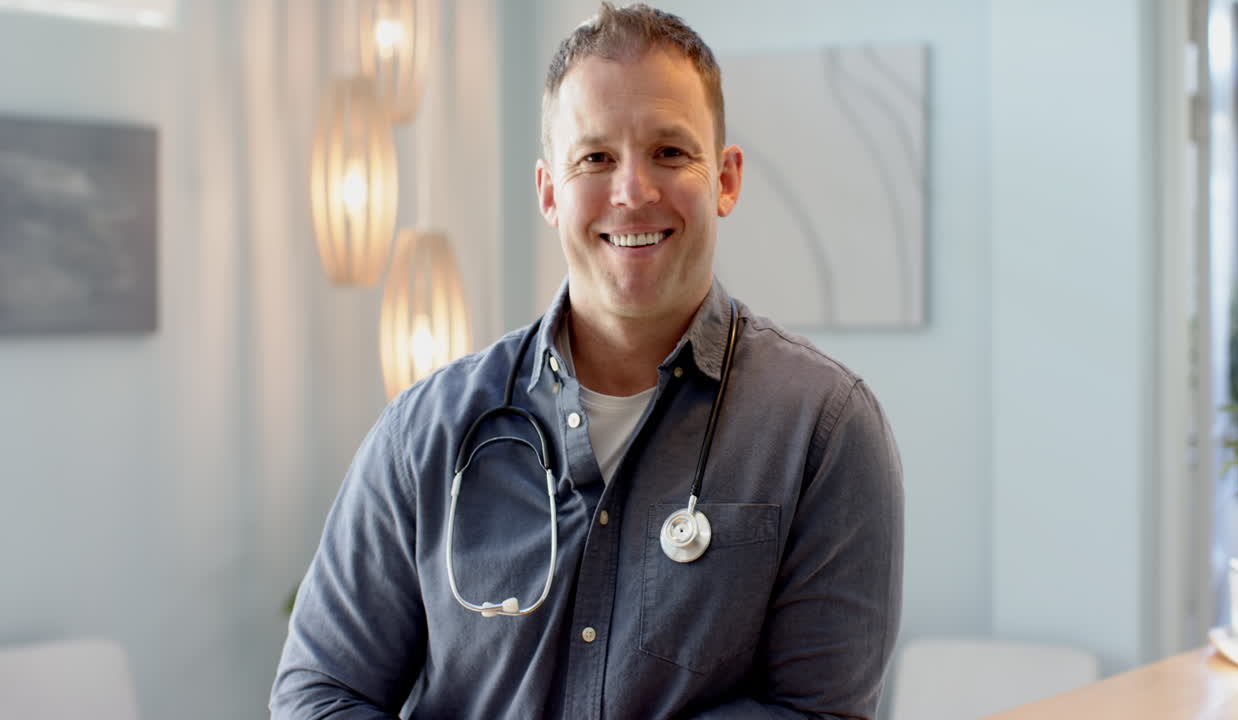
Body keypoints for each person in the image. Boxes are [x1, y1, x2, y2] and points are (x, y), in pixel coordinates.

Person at [270, 3, 903, 718]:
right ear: (549, 191)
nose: (632, 191)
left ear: (725, 179)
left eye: (670, 151)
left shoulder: (822, 431)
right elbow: (321, 693)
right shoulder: (427, 432)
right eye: (595, 157)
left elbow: (819, 713)